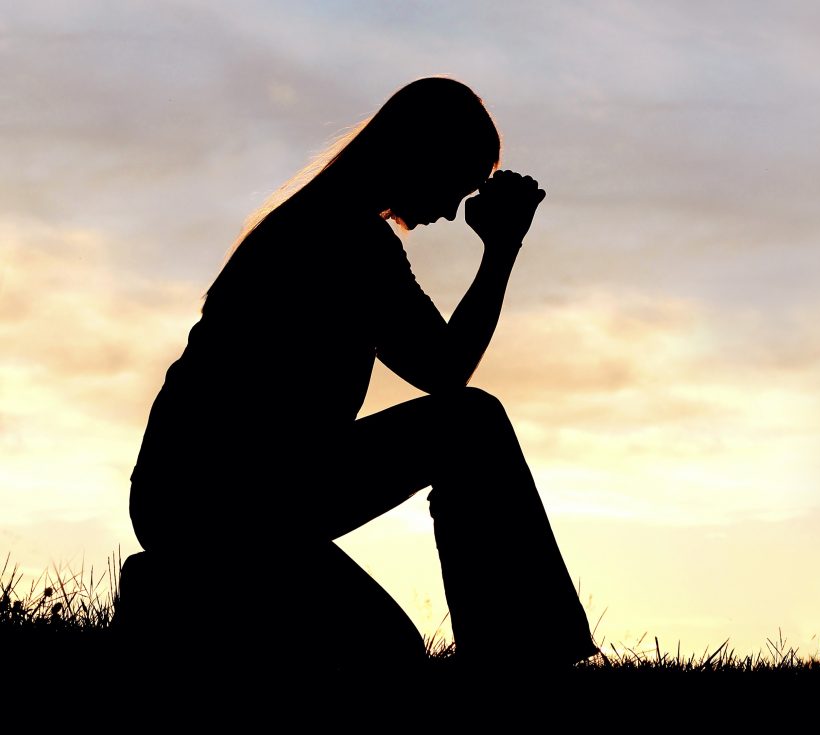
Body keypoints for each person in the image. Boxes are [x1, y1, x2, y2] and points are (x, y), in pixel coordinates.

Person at [123, 76, 600, 672]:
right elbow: (445, 371)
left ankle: (173, 592)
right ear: (423, 156)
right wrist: (501, 250)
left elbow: (435, 365)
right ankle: (527, 659)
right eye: (460, 181)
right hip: (227, 496)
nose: (454, 210)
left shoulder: (328, 222)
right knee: (471, 423)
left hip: (215, 497)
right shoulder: (342, 234)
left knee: (385, 650)